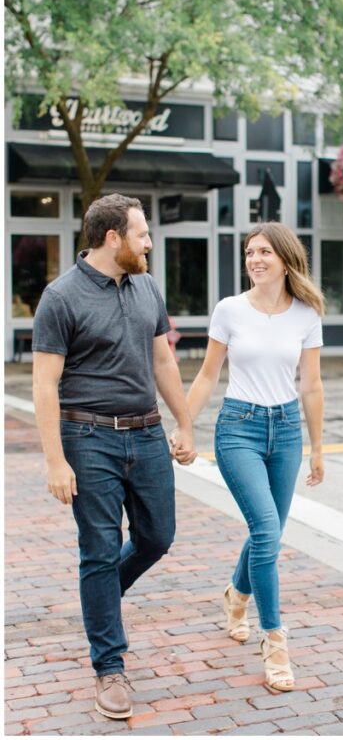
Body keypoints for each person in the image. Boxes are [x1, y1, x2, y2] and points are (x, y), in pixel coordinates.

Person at [31, 193, 198, 720]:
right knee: (99, 550)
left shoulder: (146, 285)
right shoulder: (60, 298)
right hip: (88, 439)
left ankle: (98, 601)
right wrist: (56, 460)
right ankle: (109, 665)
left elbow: (162, 360)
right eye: (142, 234)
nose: (149, 242)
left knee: (157, 537)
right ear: (112, 238)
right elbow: (44, 384)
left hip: (146, 435)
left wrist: (185, 422)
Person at [185, 222, 325, 691]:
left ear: (285, 259)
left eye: (265, 251)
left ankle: (236, 592)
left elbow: (311, 384)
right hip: (238, 428)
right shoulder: (229, 311)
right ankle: (275, 641)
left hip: (285, 431)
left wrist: (318, 448)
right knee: (266, 529)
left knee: (269, 531)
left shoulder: (306, 314)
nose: (255, 259)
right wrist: (184, 426)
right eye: (250, 252)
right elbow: (207, 375)